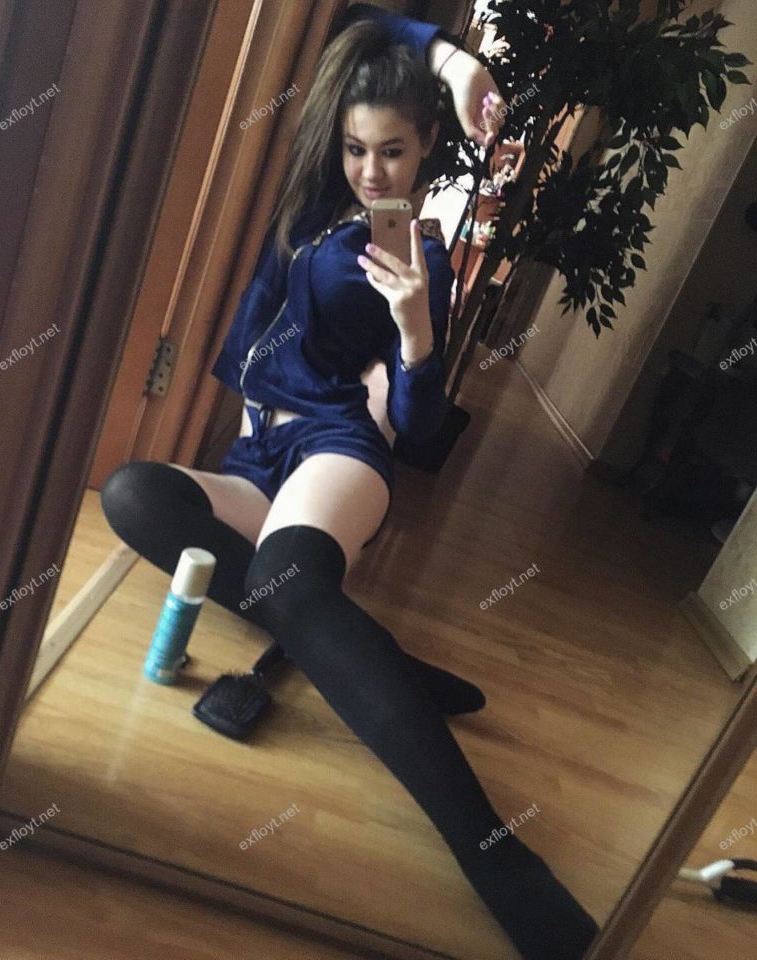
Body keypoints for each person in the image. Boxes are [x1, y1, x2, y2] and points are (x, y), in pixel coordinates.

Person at [101, 5, 598, 958]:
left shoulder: (421, 255)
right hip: (260, 454)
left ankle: (497, 857)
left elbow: (418, 429)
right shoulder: (311, 203)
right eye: (357, 148)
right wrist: (450, 58)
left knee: (286, 585)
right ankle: (374, 657)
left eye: (395, 153)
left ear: (427, 149)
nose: (372, 172)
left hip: (341, 448)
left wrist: (415, 336)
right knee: (133, 495)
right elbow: (366, 25)